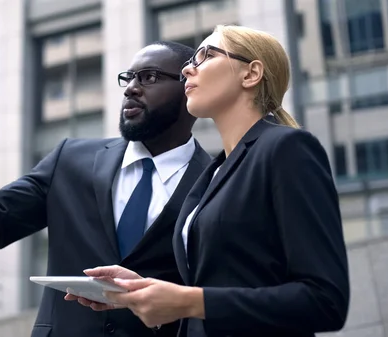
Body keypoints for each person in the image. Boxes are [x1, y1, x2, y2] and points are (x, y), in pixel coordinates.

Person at [0, 25, 212, 337]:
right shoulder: (69, 160)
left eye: (149, 77)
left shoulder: (218, 180)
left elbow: (223, 297)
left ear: (189, 86)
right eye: (129, 77)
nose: (131, 88)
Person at [72, 25, 350, 337]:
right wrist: (146, 292)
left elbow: (325, 301)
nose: (188, 69)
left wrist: (190, 301)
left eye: (206, 56)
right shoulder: (210, 175)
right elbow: (224, 288)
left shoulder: (287, 149)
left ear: (250, 74)